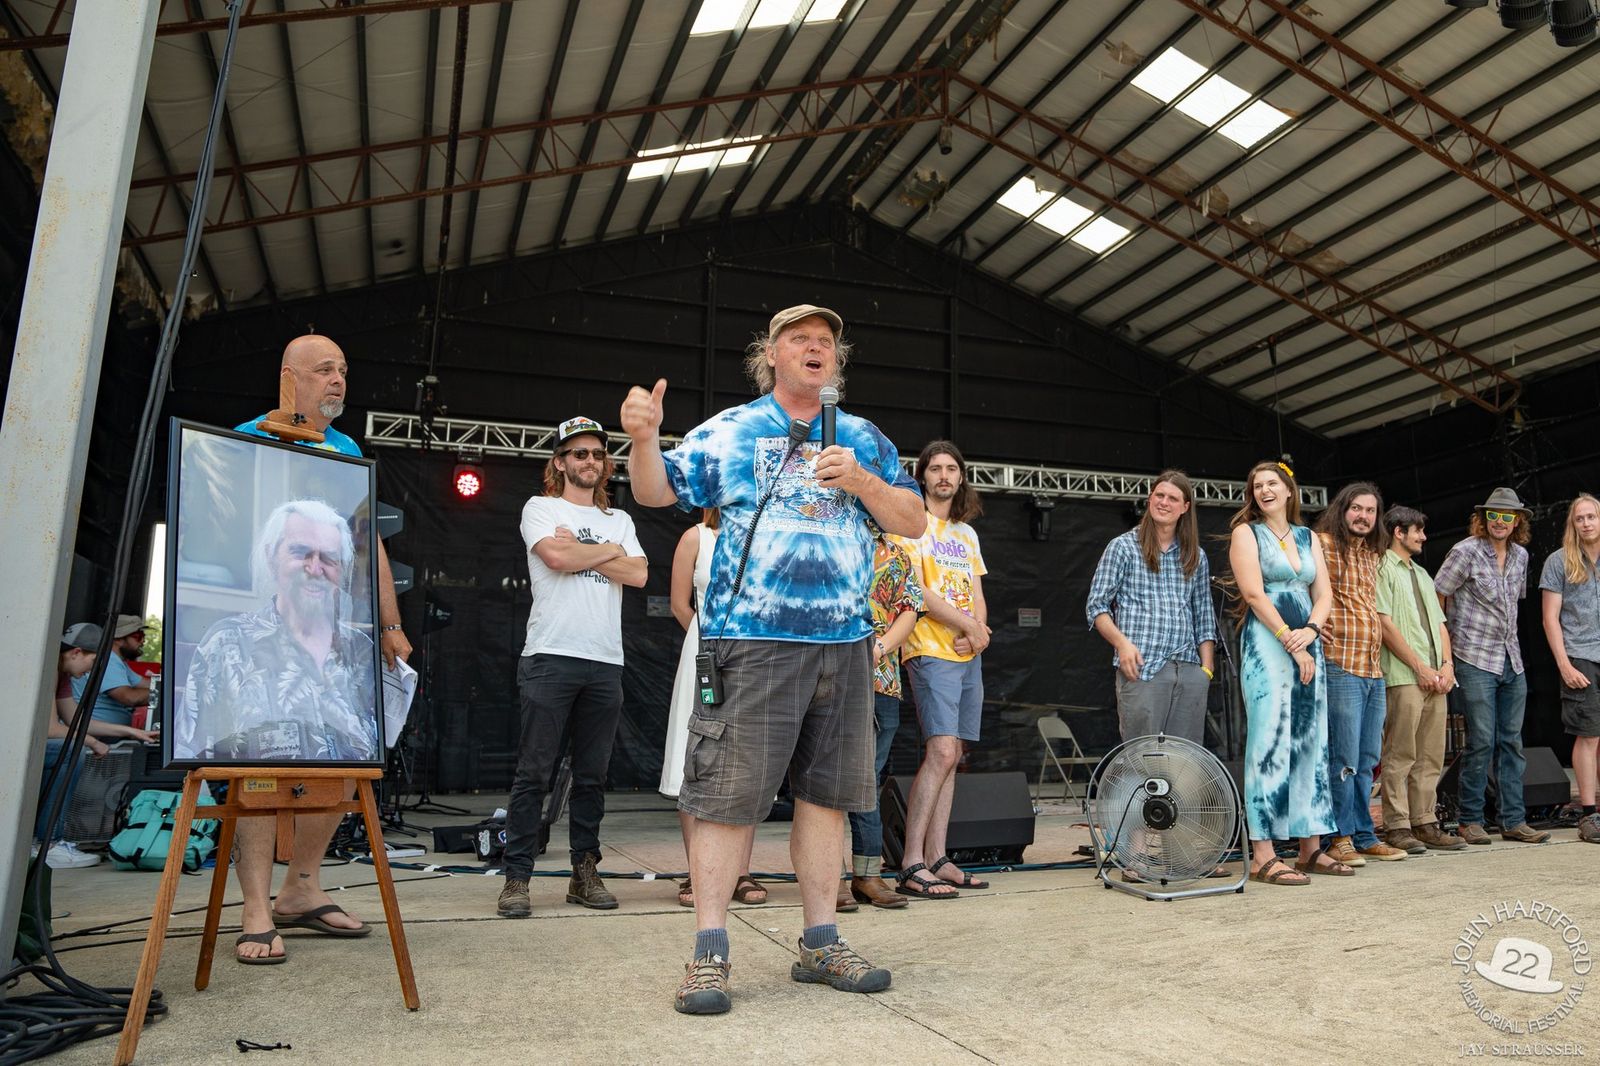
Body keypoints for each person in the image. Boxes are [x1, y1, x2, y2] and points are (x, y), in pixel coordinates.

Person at [621, 303, 924, 1015]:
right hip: (752, 641)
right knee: (728, 800)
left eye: (826, 342)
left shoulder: (863, 437)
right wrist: (642, 439)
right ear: (772, 356)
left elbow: (913, 520)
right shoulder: (733, 428)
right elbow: (655, 490)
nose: (816, 348)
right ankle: (709, 953)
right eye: (800, 339)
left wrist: (863, 482)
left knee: (828, 799)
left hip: (844, 644)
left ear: (836, 362)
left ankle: (821, 942)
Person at [182, 499, 379, 962]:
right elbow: (205, 744)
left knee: (349, 757)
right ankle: (255, 907)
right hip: (253, 782)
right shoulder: (230, 639)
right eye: (301, 552)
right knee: (254, 768)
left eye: (329, 558)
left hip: (327, 779)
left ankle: (300, 890)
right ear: (273, 557)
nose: (315, 567)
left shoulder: (356, 647)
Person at [497, 417, 648, 918]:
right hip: (550, 655)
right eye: (578, 453)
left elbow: (639, 573)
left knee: (592, 777)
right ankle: (517, 878)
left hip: (605, 661)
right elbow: (556, 559)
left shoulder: (619, 520)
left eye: (597, 454)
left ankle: (584, 873)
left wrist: (581, 549)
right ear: (560, 462)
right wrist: (606, 553)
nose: (589, 461)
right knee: (533, 773)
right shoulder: (541, 508)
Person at [235, 334, 411, 671]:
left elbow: (367, 539)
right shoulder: (248, 436)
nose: (338, 380)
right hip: (260, 605)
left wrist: (392, 626)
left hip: (322, 612)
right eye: (325, 370)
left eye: (343, 372)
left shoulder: (347, 449)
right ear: (290, 379)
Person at [1228, 460, 1346, 886]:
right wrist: (1290, 640)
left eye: (1272, 483)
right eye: (1257, 486)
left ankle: (1310, 848)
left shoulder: (1307, 536)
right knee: (1271, 740)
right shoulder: (1246, 533)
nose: (1264, 490)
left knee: (1311, 739)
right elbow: (1253, 593)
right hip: (1268, 642)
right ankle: (1263, 854)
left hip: (1307, 640)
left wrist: (1311, 631)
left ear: (1289, 490)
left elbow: (1324, 593)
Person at [893, 441, 990, 900]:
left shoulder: (966, 534)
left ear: (961, 476)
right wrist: (968, 626)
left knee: (954, 755)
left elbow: (976, 593)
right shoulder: (912, 525)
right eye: (935, 468)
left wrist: (979, 631)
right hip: (929, 648)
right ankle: (911, 861)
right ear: (923, 476)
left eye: (952, 468)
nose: (944, 475)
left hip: (968, 652)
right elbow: (916, 589)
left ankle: (937, 857)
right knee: (941, 750)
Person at [1435, 488, 1550, 845]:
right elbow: (1437, 594)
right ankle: (1469, 820)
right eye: (1494, 515)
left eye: (1507, 516)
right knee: (1482, 740)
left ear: (1517, 521)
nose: (1500, 522)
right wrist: (1445, 647)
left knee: (1512, 742)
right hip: (1474, 656)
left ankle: (1513, 820)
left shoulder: (1521, 556)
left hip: (1511, 658)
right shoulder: (1465, 551)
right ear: (1484, 519)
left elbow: (1512, 606)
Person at [1086, 470, 1217, 745]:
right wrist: (1122, 645)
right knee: (1142, 756)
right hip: (1143, 668)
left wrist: (1206, 671)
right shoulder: (1123, 547)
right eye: (1159, 495)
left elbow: (1204, 617)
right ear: (1150, 499)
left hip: (1189, 670)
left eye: (1173, 498)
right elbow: (1096, 606)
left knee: (1185, 759)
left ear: (1185, 507)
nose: (1164, 502)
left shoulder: (1195, 555)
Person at [1314, 483, 1407, 865]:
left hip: (1372, 669)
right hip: (1340, 664)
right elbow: (1301, 587)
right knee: (1343, 760)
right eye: (1356, 508)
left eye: (1370, 511)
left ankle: (1365, 834)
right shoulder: (1322, 544)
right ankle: (1338, 837)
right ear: (1342, 509)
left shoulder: (1372, 554)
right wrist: (1311, 624)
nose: (1363, 516)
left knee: (1368, 760)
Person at [1375, 506, 1464, 853]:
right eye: (1418, 531)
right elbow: (1384, 624)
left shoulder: (1424, 575)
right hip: (1403, 676)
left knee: (1430, 755)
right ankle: (1397, 826)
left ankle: (1425, 822)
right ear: (1399, 532)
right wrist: (1419, 668)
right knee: (1400, 754)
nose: (1424, 537)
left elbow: (1440, 624)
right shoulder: (1381, 567)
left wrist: (1447, 666)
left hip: (1436, 676)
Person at [848, 524, 923, 909]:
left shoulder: (897, 554)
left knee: (868, 779)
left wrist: (879, 648)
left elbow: (910, 610)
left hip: (883, 680)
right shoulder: (831, 538)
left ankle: (867, 875)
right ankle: (827, 876)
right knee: (824, 776)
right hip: (833, 671)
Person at [1540, 493, 1600, 823]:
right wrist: (1564, 665)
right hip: (1580, 656)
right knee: (1588, 735)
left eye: (1592, 517)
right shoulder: (1558, 561)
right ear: (1572, 525)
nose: (1586, 523)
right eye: (1580, 518)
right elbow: (1550, 618)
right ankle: (1589, 814)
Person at [69, 614, 150, 727]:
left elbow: (149, 684)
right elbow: (129, 697)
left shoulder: (119, 662)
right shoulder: (109, 659)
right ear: (118, 639)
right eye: (138, 636)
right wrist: (165, 694)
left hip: (106, 733)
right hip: (93, 733)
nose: (143, 641)